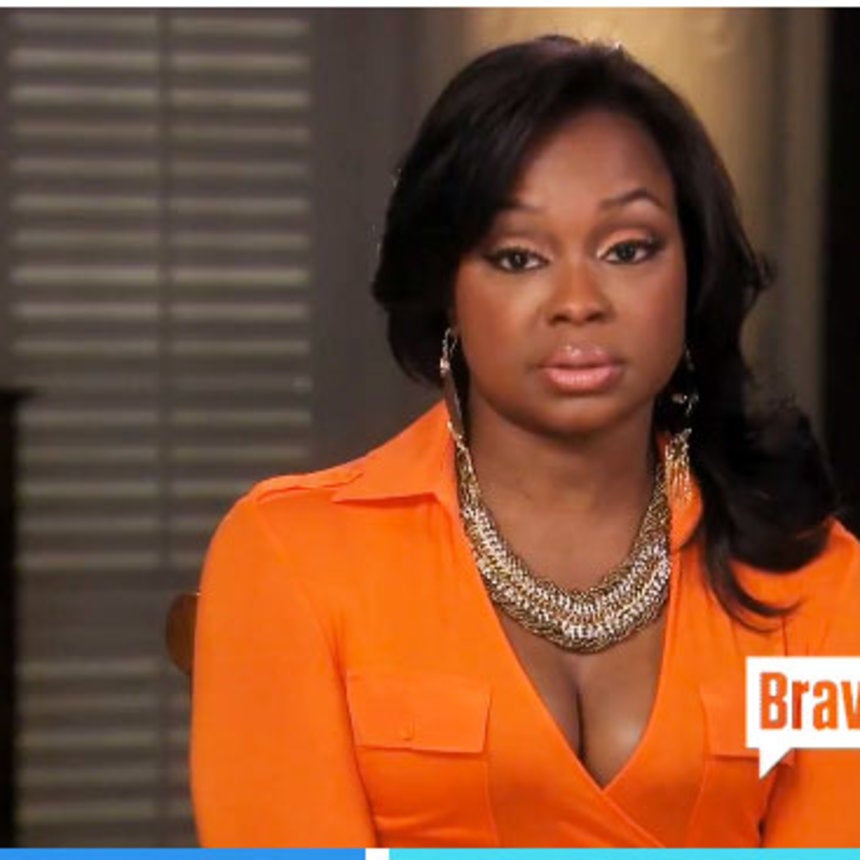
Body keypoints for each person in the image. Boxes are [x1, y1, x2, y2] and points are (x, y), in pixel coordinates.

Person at [189, 35, 860, 847]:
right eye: (517, 257)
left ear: (693, 270)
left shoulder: (812, 582)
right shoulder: (293, 559)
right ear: (447, 289)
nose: (578, 301)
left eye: (628, 249)